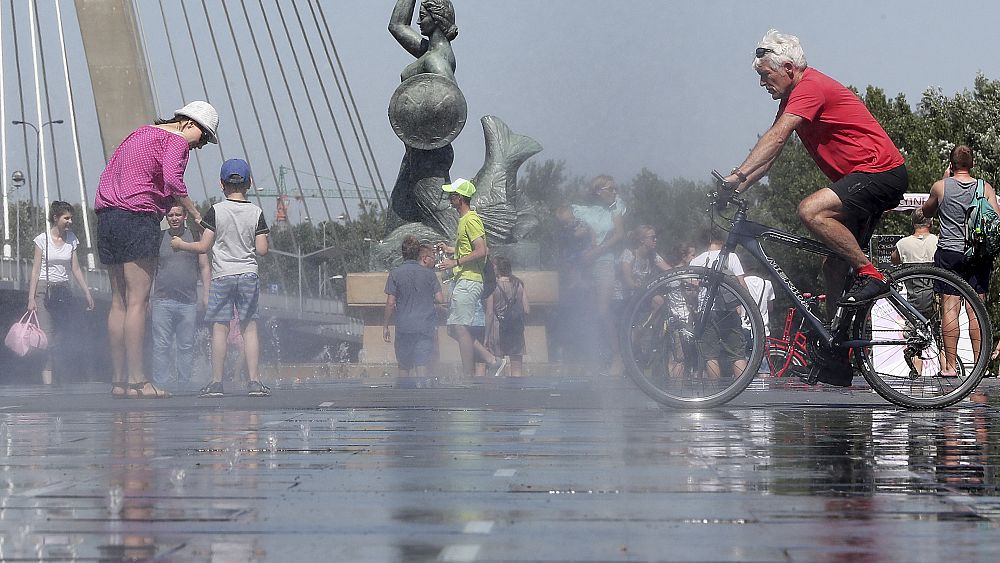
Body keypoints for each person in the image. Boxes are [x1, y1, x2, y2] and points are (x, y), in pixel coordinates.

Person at [720, 30, 907, 385]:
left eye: (766, 75)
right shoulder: (793, 96)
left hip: (880, 172)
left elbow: (775, 138)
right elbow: (770, 157)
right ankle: (839, 356)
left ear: (789, 68)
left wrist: (737, 174)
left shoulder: (810, 87)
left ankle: (873, 275)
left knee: (811, 210)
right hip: (865, 178)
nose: (762, 83)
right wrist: (738, 183)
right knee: (833, 266)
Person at [95, 100, 216, 398]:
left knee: (118, 301)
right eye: (202, 140)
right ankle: (139, 380)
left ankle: (119, 381)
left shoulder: (139, 134)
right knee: (137, 301)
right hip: (137, 215)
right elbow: (174, 181)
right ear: (190, 124)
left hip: (107, 216)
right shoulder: (175, 139)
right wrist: (198, 216)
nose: (198, 148)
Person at [172, 159, 271, 397]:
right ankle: (255, 382)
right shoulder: (256, 212)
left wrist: (181, 244)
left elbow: (204, 245)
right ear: (249, 183)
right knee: (249, 328)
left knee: (220, 329)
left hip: (222, 276)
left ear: (221, 184)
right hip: (248, 274)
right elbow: (262, 250)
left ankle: (216, 383)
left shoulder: (215, 211)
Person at [921, 145, 998, 377]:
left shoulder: (940, 187)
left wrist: (945, 181)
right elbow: (995, 219)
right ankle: (980, 365)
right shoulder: (985, 188)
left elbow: (926, 212)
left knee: (950, 309)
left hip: (950, 254)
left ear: (951, 164)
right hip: (977, 254)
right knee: (977, 309)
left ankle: (950, 367)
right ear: (972, 163)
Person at [388, 0, 461, 227]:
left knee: (442, 219)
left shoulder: (435, 60)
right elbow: (397, 25)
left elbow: (451, 104)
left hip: (428, 155)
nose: (419, 20)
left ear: (437, 18)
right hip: (417, 152)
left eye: (424, 14)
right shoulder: (429, 51)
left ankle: (470, 251)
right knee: (398, 218)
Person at [434, 178, 507, 377]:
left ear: (460, 198)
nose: (450, 199)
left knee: (459, 327)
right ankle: (491, 361)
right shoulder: (464, 220)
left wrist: (454, 262)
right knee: (453, 329)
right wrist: (450, 250)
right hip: (464, 279)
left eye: (452, 195)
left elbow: (482, 250)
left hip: (469, 279)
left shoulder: (471, 220)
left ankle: (471, 374)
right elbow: (470, 248)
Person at [26, 201, 96, 384]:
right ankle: (47, 379)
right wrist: (31, 297)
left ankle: (63, 375)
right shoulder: (42, 240)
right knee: (47, 335)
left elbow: (76, 268)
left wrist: (87, 293)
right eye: (66, 218)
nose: (70, 221)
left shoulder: (72, 239)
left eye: (71, 218)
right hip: (44, 290)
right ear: (56, 218)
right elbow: (35, 269)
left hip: (63, 290)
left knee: (66, 332)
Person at [150, 205, 210, 390]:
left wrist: (206, 294)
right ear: (166, 218)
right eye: (170, 215)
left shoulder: (194, 236)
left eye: (178, 214)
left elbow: (204, 266)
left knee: (186, 346)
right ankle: (161, 385)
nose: (174, 218)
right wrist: (147, 297)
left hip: (188, 301)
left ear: (185, 216)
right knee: (161, 345)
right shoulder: (159, 238)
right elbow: (151, 270)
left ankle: (184, 385)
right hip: (162, 299)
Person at [572, 176, 625, 374]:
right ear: (598, 192)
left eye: (614, 188)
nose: (613, 192)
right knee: (591, 313)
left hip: (605, 263)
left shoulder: (615, 208)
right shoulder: (586, 211)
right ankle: (595, 357)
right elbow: (575, 230)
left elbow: (619, 235)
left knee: (603, 310)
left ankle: (618, 357)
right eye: (609, 189)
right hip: (586, 265)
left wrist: (596, 251)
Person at [384, 235, 445, 378]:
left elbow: (390, 303)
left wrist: (385, 326)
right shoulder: (429, 274)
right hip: (424, 326)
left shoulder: (395, 274)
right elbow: (440, 299)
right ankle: (422, 395)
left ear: (403, 253)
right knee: (421, 364)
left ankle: (404, 396)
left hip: (404, 327)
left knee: (404, 365)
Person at [690, 233, 748, 380]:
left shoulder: (696, 261)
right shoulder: (731, 257)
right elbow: (741, 286)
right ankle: (743, 392)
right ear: (722, 241)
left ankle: (715, 393)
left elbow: (692, 291)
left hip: (706, 311)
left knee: (710, 356)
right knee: (737, 354)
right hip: (729, 310)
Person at [890, 208, 940, 375]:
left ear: (913, 223)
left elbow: (894, 259)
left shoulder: (903, 244)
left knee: (914, 335)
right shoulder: (938, 241)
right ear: (930, 222)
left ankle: (916, 372)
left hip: (913, 300)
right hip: (935, 299)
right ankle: (949, 368)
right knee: (941, 334)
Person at [491, 256, 530, 377]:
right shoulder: (518, 284)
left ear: (496, 269)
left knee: (499, 365)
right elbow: (527, 310)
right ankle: (517, 393)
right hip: (515, 327)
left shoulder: (493, 286)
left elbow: (489, 311)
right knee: (517, 367)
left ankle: (500, 393)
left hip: (498, 328)